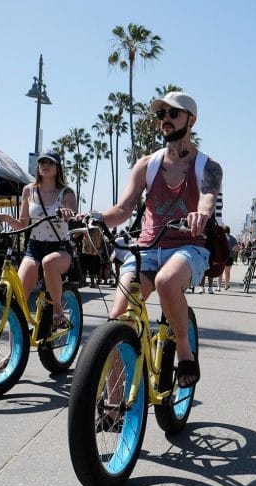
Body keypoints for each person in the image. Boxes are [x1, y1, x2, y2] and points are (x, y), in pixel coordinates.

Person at [91, 91, 222, 390]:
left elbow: (208, 197)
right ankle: (113, 400)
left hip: (190, 247)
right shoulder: (146, 165)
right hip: (147, 247)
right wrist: (96, 218)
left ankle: (185, 351)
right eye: (161, 114)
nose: (165, 119)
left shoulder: (208, 166)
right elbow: (123, 209)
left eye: (173, 113)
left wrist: (200, 215)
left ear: (191, 120)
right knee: (118, 319)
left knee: (166, 282)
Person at [0, 149, 77, 329]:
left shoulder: (66, 193)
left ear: (58, 167)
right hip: (34, 247)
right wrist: (8, 219)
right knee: (18, 298)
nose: (45, 166)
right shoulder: (29, 190)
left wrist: (68, 215)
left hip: (60, 247)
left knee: (49, 262)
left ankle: (58, 311)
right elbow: (22, 224)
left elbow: (74, 218)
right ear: (38, 167)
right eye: (42, 162)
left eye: (50, 163)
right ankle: (14, 353)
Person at [221, 225, 237, 290]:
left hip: (222, 256)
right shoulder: (233, 238)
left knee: (221, 271)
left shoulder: (222, 237)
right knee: (227, 272)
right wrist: (233, 252)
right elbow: (236, 248)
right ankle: (226, 285)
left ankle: (219, 285)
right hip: (230, 256)